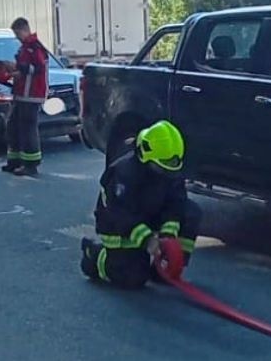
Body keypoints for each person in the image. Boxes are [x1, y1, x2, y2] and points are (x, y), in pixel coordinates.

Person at [80, 120, 201, 289]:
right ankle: (95, 255)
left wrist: (168, 235)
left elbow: (176, 202)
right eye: (161, 168)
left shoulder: (168, 167)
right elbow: (121, 214)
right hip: (119, 228)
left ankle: (163, 271)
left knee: (191, 213)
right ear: (145, 156)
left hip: (148, 215)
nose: (166, 173)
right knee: (132, 279)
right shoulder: (123, 173)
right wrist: (148, 239)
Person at [1, 16, 49, 177]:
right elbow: (26, 71)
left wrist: (17, 66)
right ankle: (14, 161)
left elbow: (39, 68)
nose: (16, 37)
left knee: (28, 130)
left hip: (31, 95)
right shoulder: (25, 47)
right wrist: (13, 71)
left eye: (17, 33)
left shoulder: (34, 47)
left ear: (24, 30)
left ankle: (30, 164)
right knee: (13, 127)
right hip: (21, 94)